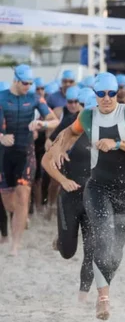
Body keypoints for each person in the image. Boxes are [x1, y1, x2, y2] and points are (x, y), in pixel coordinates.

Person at [48, 72, 125, 320]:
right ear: (94, 95)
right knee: (103, 239)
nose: (106, 99)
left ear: (117, 93)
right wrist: (57, 148)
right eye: (101, 94)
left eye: (111, 93)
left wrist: (117, 144)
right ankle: (103, 300)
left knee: (114, 253)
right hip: (97, 188)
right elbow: (70, 133)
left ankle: (102, 292)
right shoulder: (87, 115)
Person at [0, 64, 59, 255]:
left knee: (23, 195)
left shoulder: (34, 97)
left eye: (30, 83)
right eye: (25, 83)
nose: (28, 86)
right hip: (4, 155)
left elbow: (54, 119)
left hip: (26, 152)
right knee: (10, 202)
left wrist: (42, 123)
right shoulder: (2, 97)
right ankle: (20, 215)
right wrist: (1, 137)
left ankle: (15, 245)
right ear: (15, 80)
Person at [42, 93, 96, 302]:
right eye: (89, 113)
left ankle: (83, 296)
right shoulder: (69, 134)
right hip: (71, 197)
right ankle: (61, 242)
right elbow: (47, 161)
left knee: (92, 249)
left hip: (94, 198)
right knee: (68, 252)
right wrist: (63, 180)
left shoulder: (106, 133)